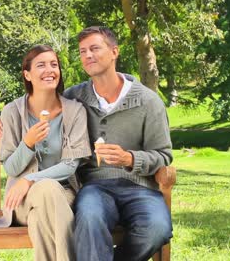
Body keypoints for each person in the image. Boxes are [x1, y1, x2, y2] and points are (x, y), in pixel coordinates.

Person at [62, 26, 174, 261]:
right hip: (95, 187)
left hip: (140, 187)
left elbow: (163, 155)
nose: (87, 56)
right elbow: (40, 102)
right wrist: (10, 116)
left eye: (94, 48)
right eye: (82, 51)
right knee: (90, 217)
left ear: (115, 52)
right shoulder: (73, 98)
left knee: (157, 228)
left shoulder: (148, 101)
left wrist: (131, 159)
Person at [0, 45, 91, 261]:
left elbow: (71, 164)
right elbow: (11, 168)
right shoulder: (12, 112)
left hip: (63, 193)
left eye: (54, 64)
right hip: (20, 199)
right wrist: (28, 143)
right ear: (27, 74)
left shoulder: (75, 111)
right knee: (45, 192)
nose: (49, 70)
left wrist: (31, 179)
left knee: (41, 216)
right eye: (41, 65)